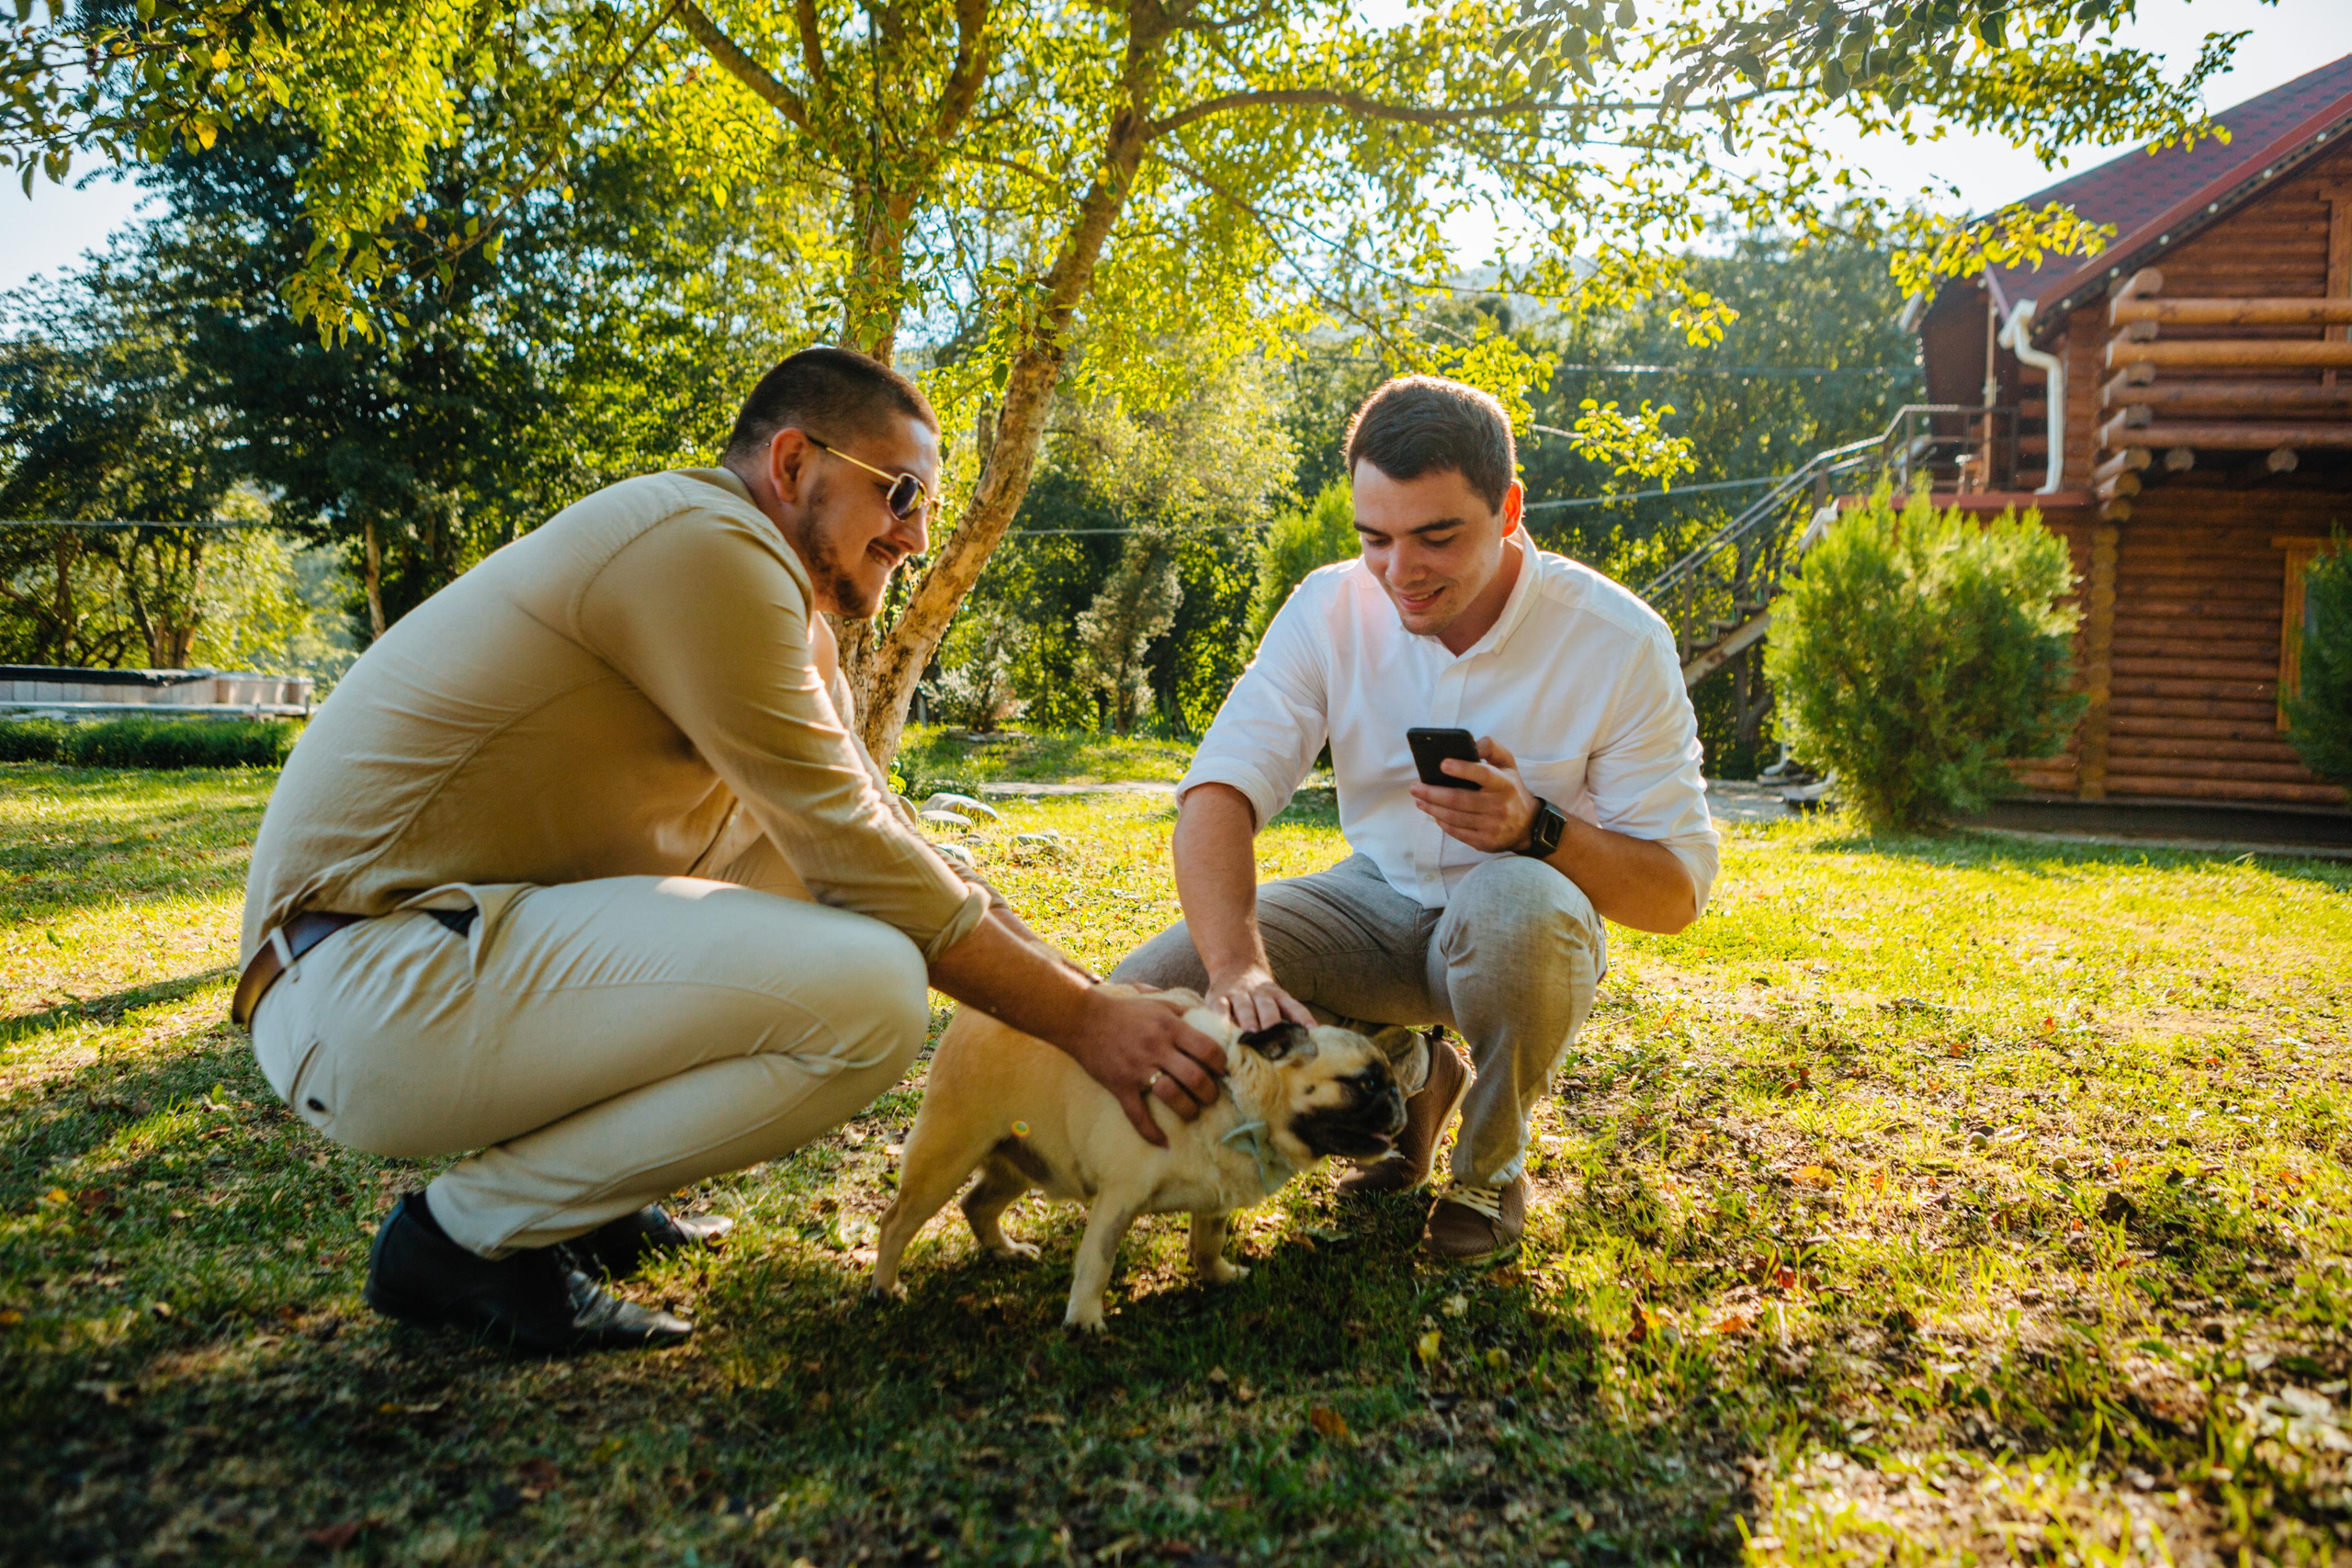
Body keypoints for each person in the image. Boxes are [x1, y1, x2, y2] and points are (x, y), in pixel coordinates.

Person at [235, 346, 1226, 1353]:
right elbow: (855, 856)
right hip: (357, 984)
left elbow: (890, 848)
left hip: (428, 971)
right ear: (794, 463)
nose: (918, 534)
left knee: (825, 915)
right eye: (901, 493)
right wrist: (1083, 1024)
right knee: (873, 992)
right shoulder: (706, 545)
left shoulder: (791, 630)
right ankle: (461, 1239)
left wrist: (1086, 993)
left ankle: (586, 1205)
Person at [1112, 375, 1717, 1264]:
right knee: (1154, 993)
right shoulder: (1329, 607)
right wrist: (1236, 965)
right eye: (1376, 540)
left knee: (1518, 906)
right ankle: (1416, 1072)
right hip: (1375, 901)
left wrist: (1536, 829)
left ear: (1508, 508)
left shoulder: (1617, 641)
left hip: (1521, 919)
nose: (1400, 571)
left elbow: (1674, 893)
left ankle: (1486, 1171)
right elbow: (1218, 792)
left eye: (1436, 536)